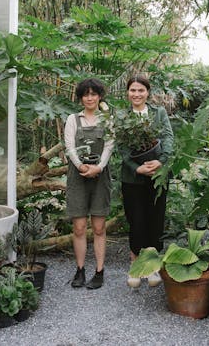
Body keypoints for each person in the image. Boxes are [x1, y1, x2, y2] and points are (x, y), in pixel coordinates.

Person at [119, 74, 174, 288]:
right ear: (127, 93)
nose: (137, 94)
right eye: (133, 90)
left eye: (141, 90)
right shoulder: (123, 116)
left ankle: (152, 268)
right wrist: (137, 168)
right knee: (136, 220)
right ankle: (135, 266)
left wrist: (161, 161)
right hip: (132, 178)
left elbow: (168, 137)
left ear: (147, 93)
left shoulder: (158, 113)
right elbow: (122, 147)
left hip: (157, 176)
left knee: (155, 219)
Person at [64, 78, 114, 290]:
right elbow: (69, 146)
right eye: (86, 94)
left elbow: (110, 145)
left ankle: (99, 271)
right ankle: (80, 270)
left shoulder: (107, 119)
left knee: (99, 227)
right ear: (81, 97)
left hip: (100, 176)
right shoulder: (73, 119)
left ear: (99, 96)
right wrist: (81, 166)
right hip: (78, 177)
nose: (90, 98)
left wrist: (99, 167)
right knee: (79, 227)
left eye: (94, 94)